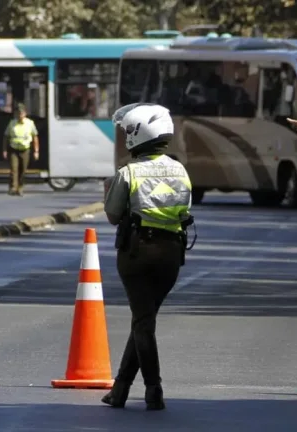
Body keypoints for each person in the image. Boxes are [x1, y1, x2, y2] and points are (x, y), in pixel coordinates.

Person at [101, 103, 193, 411]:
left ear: (137, 135)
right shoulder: (179, 169)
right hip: (172, 255)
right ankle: (120, 389)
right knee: (144, 319)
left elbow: (114, 216)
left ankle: (154, 389)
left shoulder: (128, 172)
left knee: (143, 322)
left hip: (137, 253)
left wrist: (107, 192)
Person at [2, 104, 39, 196]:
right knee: (14, 169)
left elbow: (35, 137)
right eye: (18, 113)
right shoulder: (12, 123)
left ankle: (20, 187)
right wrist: (5, 150)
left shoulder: (30, 123)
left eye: (21, 113)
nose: (20, 115)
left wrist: (36, 151)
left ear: (25, 114)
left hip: (25, 150)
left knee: (23, 170)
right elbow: (6, 137)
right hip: (13, 149)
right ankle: (13, 188)